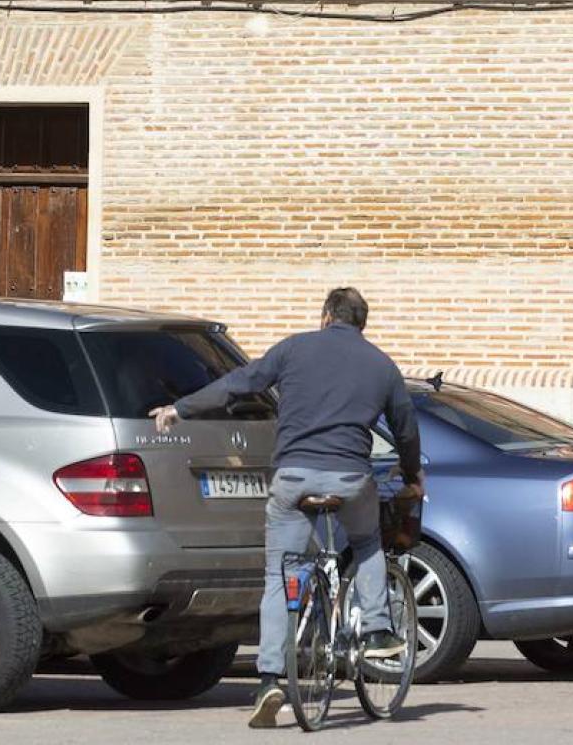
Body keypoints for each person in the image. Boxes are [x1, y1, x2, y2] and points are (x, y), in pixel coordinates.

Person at [151, 287, 422, 729]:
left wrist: (181, 409)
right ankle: (376, 631)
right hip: (351, 479)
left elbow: (239, 383)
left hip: (293, 478)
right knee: (369, 541)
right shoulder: (381, 364)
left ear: (325, 316)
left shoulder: (295, 349)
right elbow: (406, 430)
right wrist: (412, 475)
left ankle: (270, 679)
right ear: (362, 324)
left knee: (280, 575)